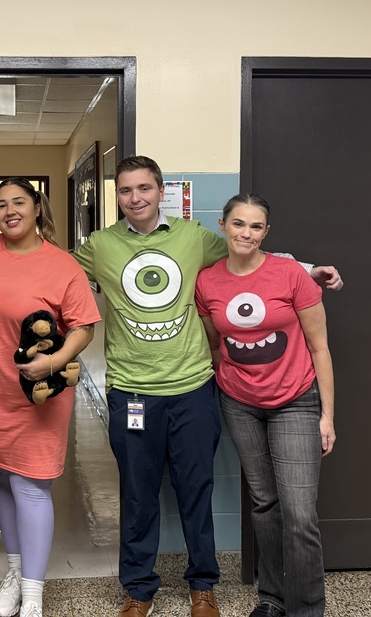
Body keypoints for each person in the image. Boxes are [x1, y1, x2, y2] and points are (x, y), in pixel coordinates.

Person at [72, 156, 341, 617]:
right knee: (137, 493)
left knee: (196, 489)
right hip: (132, 391)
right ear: (117, 196)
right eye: (126, 190)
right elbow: (54, 275)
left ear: (161, 192)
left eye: (144, 188)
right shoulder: (99, 245)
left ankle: (203, 585)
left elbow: (251, 255)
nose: (136, 198)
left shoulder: (193, 238)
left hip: (193, 387)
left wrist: (309, 267)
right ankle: (138, 589)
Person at [0, 178, 101, 617]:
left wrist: (53, 362)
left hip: (37, 392)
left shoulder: (61, 265)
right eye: (1, 204)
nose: (9, 211)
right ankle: (17, 574)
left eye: (19, 202)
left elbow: (84, 326)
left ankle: (34, 593)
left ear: (37, 207)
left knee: (31, 485)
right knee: (4, 478)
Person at [195, 194, 334, 617]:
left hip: (296, 400)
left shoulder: (290, 273)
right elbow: (215, 343)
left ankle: (306, 609)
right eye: (238, 224)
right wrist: (227, 383)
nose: (246, 233)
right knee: (264, 503)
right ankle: (272, 599)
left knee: (299, 514)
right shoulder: (207, 282)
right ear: (223, 225)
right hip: (239, 403)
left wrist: (327, 415)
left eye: (256, 226)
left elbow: (320, 348)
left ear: (266, 232)